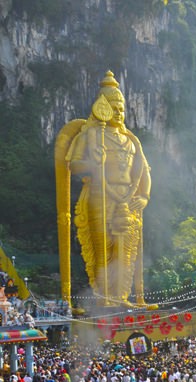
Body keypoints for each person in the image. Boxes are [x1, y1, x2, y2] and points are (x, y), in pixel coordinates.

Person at [56, 70, 152, 305]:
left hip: (127, 197)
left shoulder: (131, 140)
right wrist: (92, 162)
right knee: (102, 248)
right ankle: (103, 296)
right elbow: (73, 165)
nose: (119, 113)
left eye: (122, 108)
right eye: (113, 108)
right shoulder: (89, 135)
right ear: (102, 109)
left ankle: (122, 296)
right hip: (100, 195)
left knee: (126, 251)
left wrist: (145, 196)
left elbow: (144, 172)